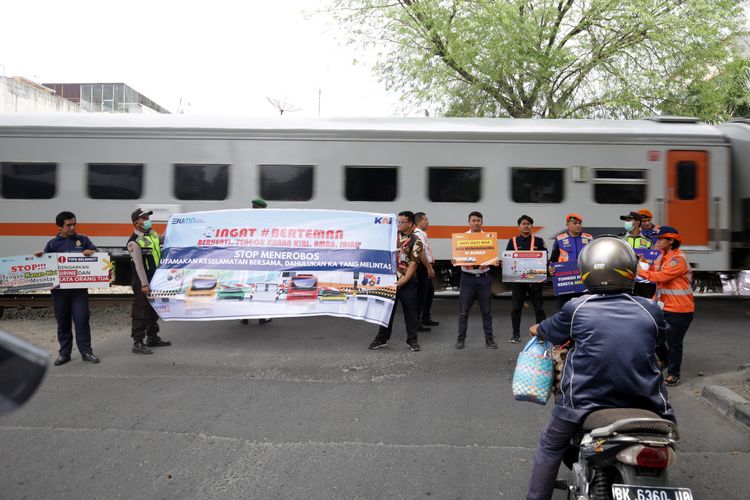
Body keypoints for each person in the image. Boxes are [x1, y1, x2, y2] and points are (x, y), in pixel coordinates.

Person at [526, 236, 675, 500]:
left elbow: (549, 331)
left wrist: (536, 329)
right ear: (629, 270)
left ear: (587, 272)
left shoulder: (577, 308)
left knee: (550, 446)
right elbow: (661, 344)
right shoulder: (650, 309)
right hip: (647, 402)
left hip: (584, 402)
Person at [37, 211, 100, 366]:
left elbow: (98, 255)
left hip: (79, 291)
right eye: (68, 225)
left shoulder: (83, 240)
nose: (72, 227)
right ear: (60, 227)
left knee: (82, 320)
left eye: (74, 224)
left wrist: (91, 252)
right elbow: (47, 266)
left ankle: (86, 352)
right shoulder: (52, 244)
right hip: (59, 292)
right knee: (63, 322)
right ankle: (64, 354)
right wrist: (40, 257)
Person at [637, 226, 694, 386]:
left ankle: (674, 374)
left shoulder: (678, 259)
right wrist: (642, 263)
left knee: (674, 343)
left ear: (671, 241)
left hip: (680, 309)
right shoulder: (662, 256)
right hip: (663, 307)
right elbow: (654, 270)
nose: (657, 241)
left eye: (661, 239)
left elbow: (662, 276)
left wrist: (639, 271)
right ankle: (664, 359)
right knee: (653, 336)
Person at [368, 211, 423, 352]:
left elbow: (414, 264)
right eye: (398, 222)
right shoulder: (391, 238)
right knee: (386, 311)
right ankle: (381, 339)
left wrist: (403, 281)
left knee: (410, 311)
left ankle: (412, 341)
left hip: (407, 282)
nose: (398, 224)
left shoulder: (416, 241)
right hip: (390, 281)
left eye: (402, 222)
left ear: (410, 224)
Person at [127, 208, 172, 354]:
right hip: (143, 281)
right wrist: (145, 284)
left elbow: (163, 239)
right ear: (136, 223)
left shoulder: (151, 233)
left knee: (154, 308)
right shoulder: (134, 241)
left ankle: (152, 337)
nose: (147, 220)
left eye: (147, 217)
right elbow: (139, 265)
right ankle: (137, 342)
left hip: (156, 278)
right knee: (141, 310)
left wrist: (171, 224)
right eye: (144, 218)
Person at [454, 211, 498, 349]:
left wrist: (494, 262)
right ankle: (461, 339)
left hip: (484, 278)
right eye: (473, 220)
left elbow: (492, 257)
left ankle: (489, 340)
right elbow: (457, 257)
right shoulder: (462, 239)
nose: (476, 223)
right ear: (469, 222)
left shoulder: (488, 238)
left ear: (482, 222)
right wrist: (455, 260)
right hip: (467, 279)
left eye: (478, 220)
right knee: (463, 312)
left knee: (486, 312)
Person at [506, 214, 547, 343]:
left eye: (529, 223)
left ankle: (540, 335)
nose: (526, 226)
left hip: (535, 281)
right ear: (519, 226)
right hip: (518, 282)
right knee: (516, 308)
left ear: (532, 226)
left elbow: (546, 259)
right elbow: (508, 260)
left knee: (539, 308)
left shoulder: (539, 241)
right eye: (523, 223)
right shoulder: (512, 241)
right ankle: (515, 335)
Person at [548, 213, 592, 310]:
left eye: (579, 223)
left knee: (584, 310)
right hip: (566, 280)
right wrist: (550, 268)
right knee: (563, 310)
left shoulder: (588, 238)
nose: (577, 225)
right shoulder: (560, 239)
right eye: (574, 223)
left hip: (583, 280)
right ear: (567, 224)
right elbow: (553, 259)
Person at [242, 197, 271, 325]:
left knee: (247, 286)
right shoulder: (267, 223)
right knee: (263, 286)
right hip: (262, 260)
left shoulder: (247, 221)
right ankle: (262, 317)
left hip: (248, 259)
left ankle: (244, 317)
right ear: (262, 208)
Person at [619, 211, 655, 298]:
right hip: (624, 280)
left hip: (641, 281)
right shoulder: (620, 239)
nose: (626, 222)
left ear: (637, 222)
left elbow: (651, 261)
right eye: (625, 220)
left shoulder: (648, 241)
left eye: (629, 220)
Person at [414, 212, 438, 330]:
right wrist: (429, 267)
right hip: (422, 268)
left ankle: (425, 317)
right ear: (418, 222)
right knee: (421, 295)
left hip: (424, 266)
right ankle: (417, 322)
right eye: (425, 220)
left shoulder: (422, 234)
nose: (427, 222)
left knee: (429, 293)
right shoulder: (418, 234)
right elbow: (420, 252)